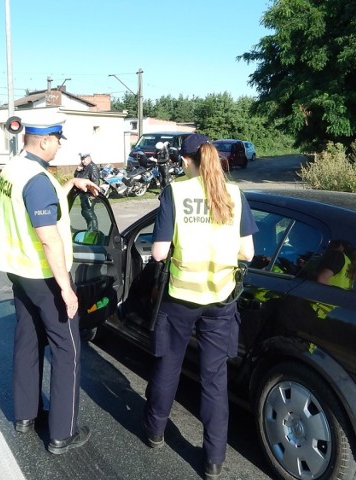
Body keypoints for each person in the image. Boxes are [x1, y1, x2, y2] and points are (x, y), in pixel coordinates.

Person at [141, 133, 257, 480]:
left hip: (180, 299)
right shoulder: (234, 194)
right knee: (213, 379)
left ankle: (155, 431)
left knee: (168, 366)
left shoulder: (176, 193)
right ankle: (213, 459)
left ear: (184, 160)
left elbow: (159, 252)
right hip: (221, 299)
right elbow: (248, 252)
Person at [0, 120, 99, 454]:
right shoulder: (37, 180)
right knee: (68, 351)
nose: (60, 147)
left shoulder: (13, 168)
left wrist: (70, 184)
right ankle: (61, 434)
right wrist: (66, 288)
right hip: (44, 275)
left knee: (27, 341)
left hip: (19, 271)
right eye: (57, 142)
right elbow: (49, 238)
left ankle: (25, 416)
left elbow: (34, 204)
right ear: (44, 141)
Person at [74, 153, 101, 231]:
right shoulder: (85, 167)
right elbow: (77, 178)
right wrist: (78, 170)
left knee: (88, 212)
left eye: (84, 159)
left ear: (89, 158)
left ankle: (93, 230)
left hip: (89, 193)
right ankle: (90, 228)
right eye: (81, 159)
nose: (82, 161)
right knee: (85, 212)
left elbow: (95, 181)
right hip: (83, 193)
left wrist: (93, 194)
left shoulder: (92, 167)